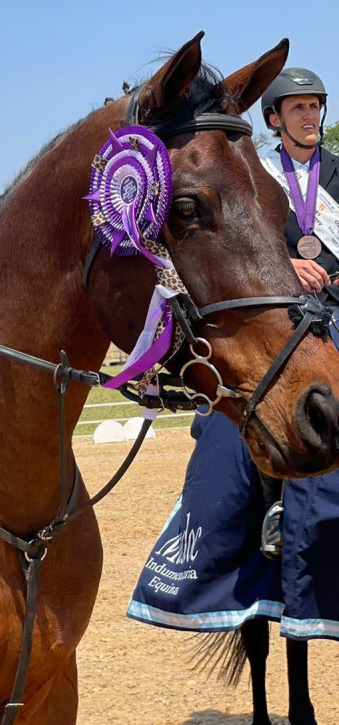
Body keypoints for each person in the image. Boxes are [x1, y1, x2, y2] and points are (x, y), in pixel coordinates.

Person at [127, 65, 339, 644]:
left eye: (315, 106)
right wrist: (289, 268)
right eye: (296, 108)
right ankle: (249, 523)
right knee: (222, 436)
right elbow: (249, 250)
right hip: (290, 311)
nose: (309, 115)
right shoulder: (255, 174)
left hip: (338, 305)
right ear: (273, 118)